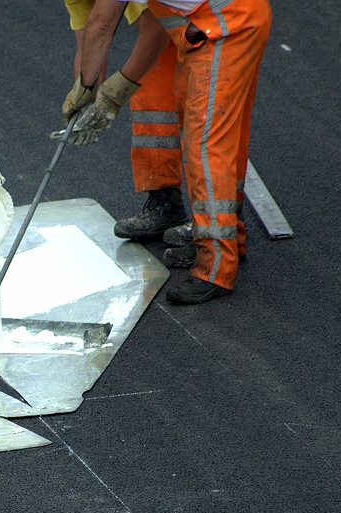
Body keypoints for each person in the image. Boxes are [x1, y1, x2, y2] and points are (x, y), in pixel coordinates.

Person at [63, 0, 271, 304]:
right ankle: (228, 238)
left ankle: (215, 269)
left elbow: (102, 24)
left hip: (226, 29)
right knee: (218, 142)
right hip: (213, 28)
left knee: (207, 149)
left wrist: (97, 88)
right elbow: (92, 35)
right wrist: (86, 88)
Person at [63, 1, 188, 242]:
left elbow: (156, 29)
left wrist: (118, 89)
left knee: (202, 118)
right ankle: (166, 202)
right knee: (150, 84)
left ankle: (217, 230)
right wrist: (84, 95)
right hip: (186, 21)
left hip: (216, 22)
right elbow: (90, 41)